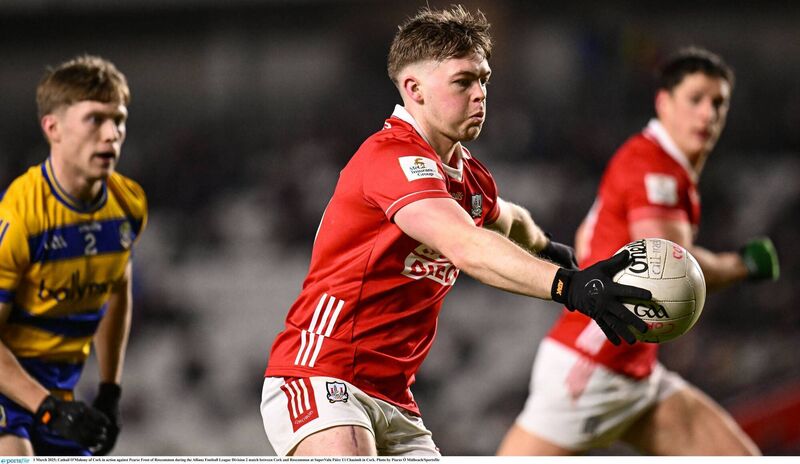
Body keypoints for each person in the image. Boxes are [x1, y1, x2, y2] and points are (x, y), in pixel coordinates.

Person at [260, 5, 652, 457]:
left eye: (484, 79)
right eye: (463, 82)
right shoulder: (390, 158)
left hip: (395, 400)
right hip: (322, 375)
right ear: (414, 89)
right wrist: (568, 285)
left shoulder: (471, 179)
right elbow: (466, 244)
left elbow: (508, 220)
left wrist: (548, 248)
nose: (481, 94)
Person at [497, 46, 780, 456]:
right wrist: (743, 265)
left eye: (718, 103)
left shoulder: (647, 158)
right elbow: (674, 275)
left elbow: (587, 237)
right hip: (593, 366)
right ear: (663, 103)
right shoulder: (655, 168)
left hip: (634, 370)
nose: (708, 114)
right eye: (695, 99)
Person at [0, 55, 147, 456]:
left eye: (118, 119)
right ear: (53, 129)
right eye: (95, 119)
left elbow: (116, 290)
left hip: (59, 390)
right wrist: (46, 408)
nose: (111, 134)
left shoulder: (128, 204)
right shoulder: (19, 217)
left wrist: (110, 389)